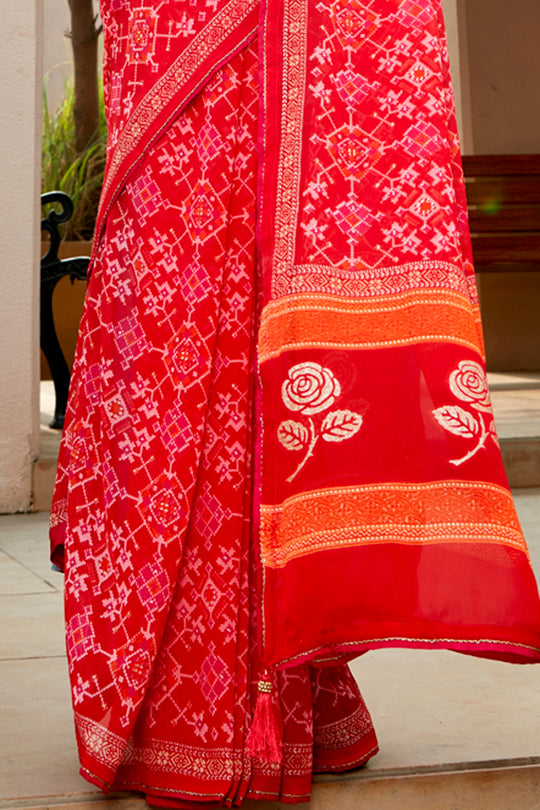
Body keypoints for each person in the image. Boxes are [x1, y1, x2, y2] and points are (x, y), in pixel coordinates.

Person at [50, 0, 540, 806]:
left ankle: (251, 710)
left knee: (249, 378)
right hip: (170, 83)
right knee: (165, 377)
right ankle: (185, 708)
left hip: (262, 94)